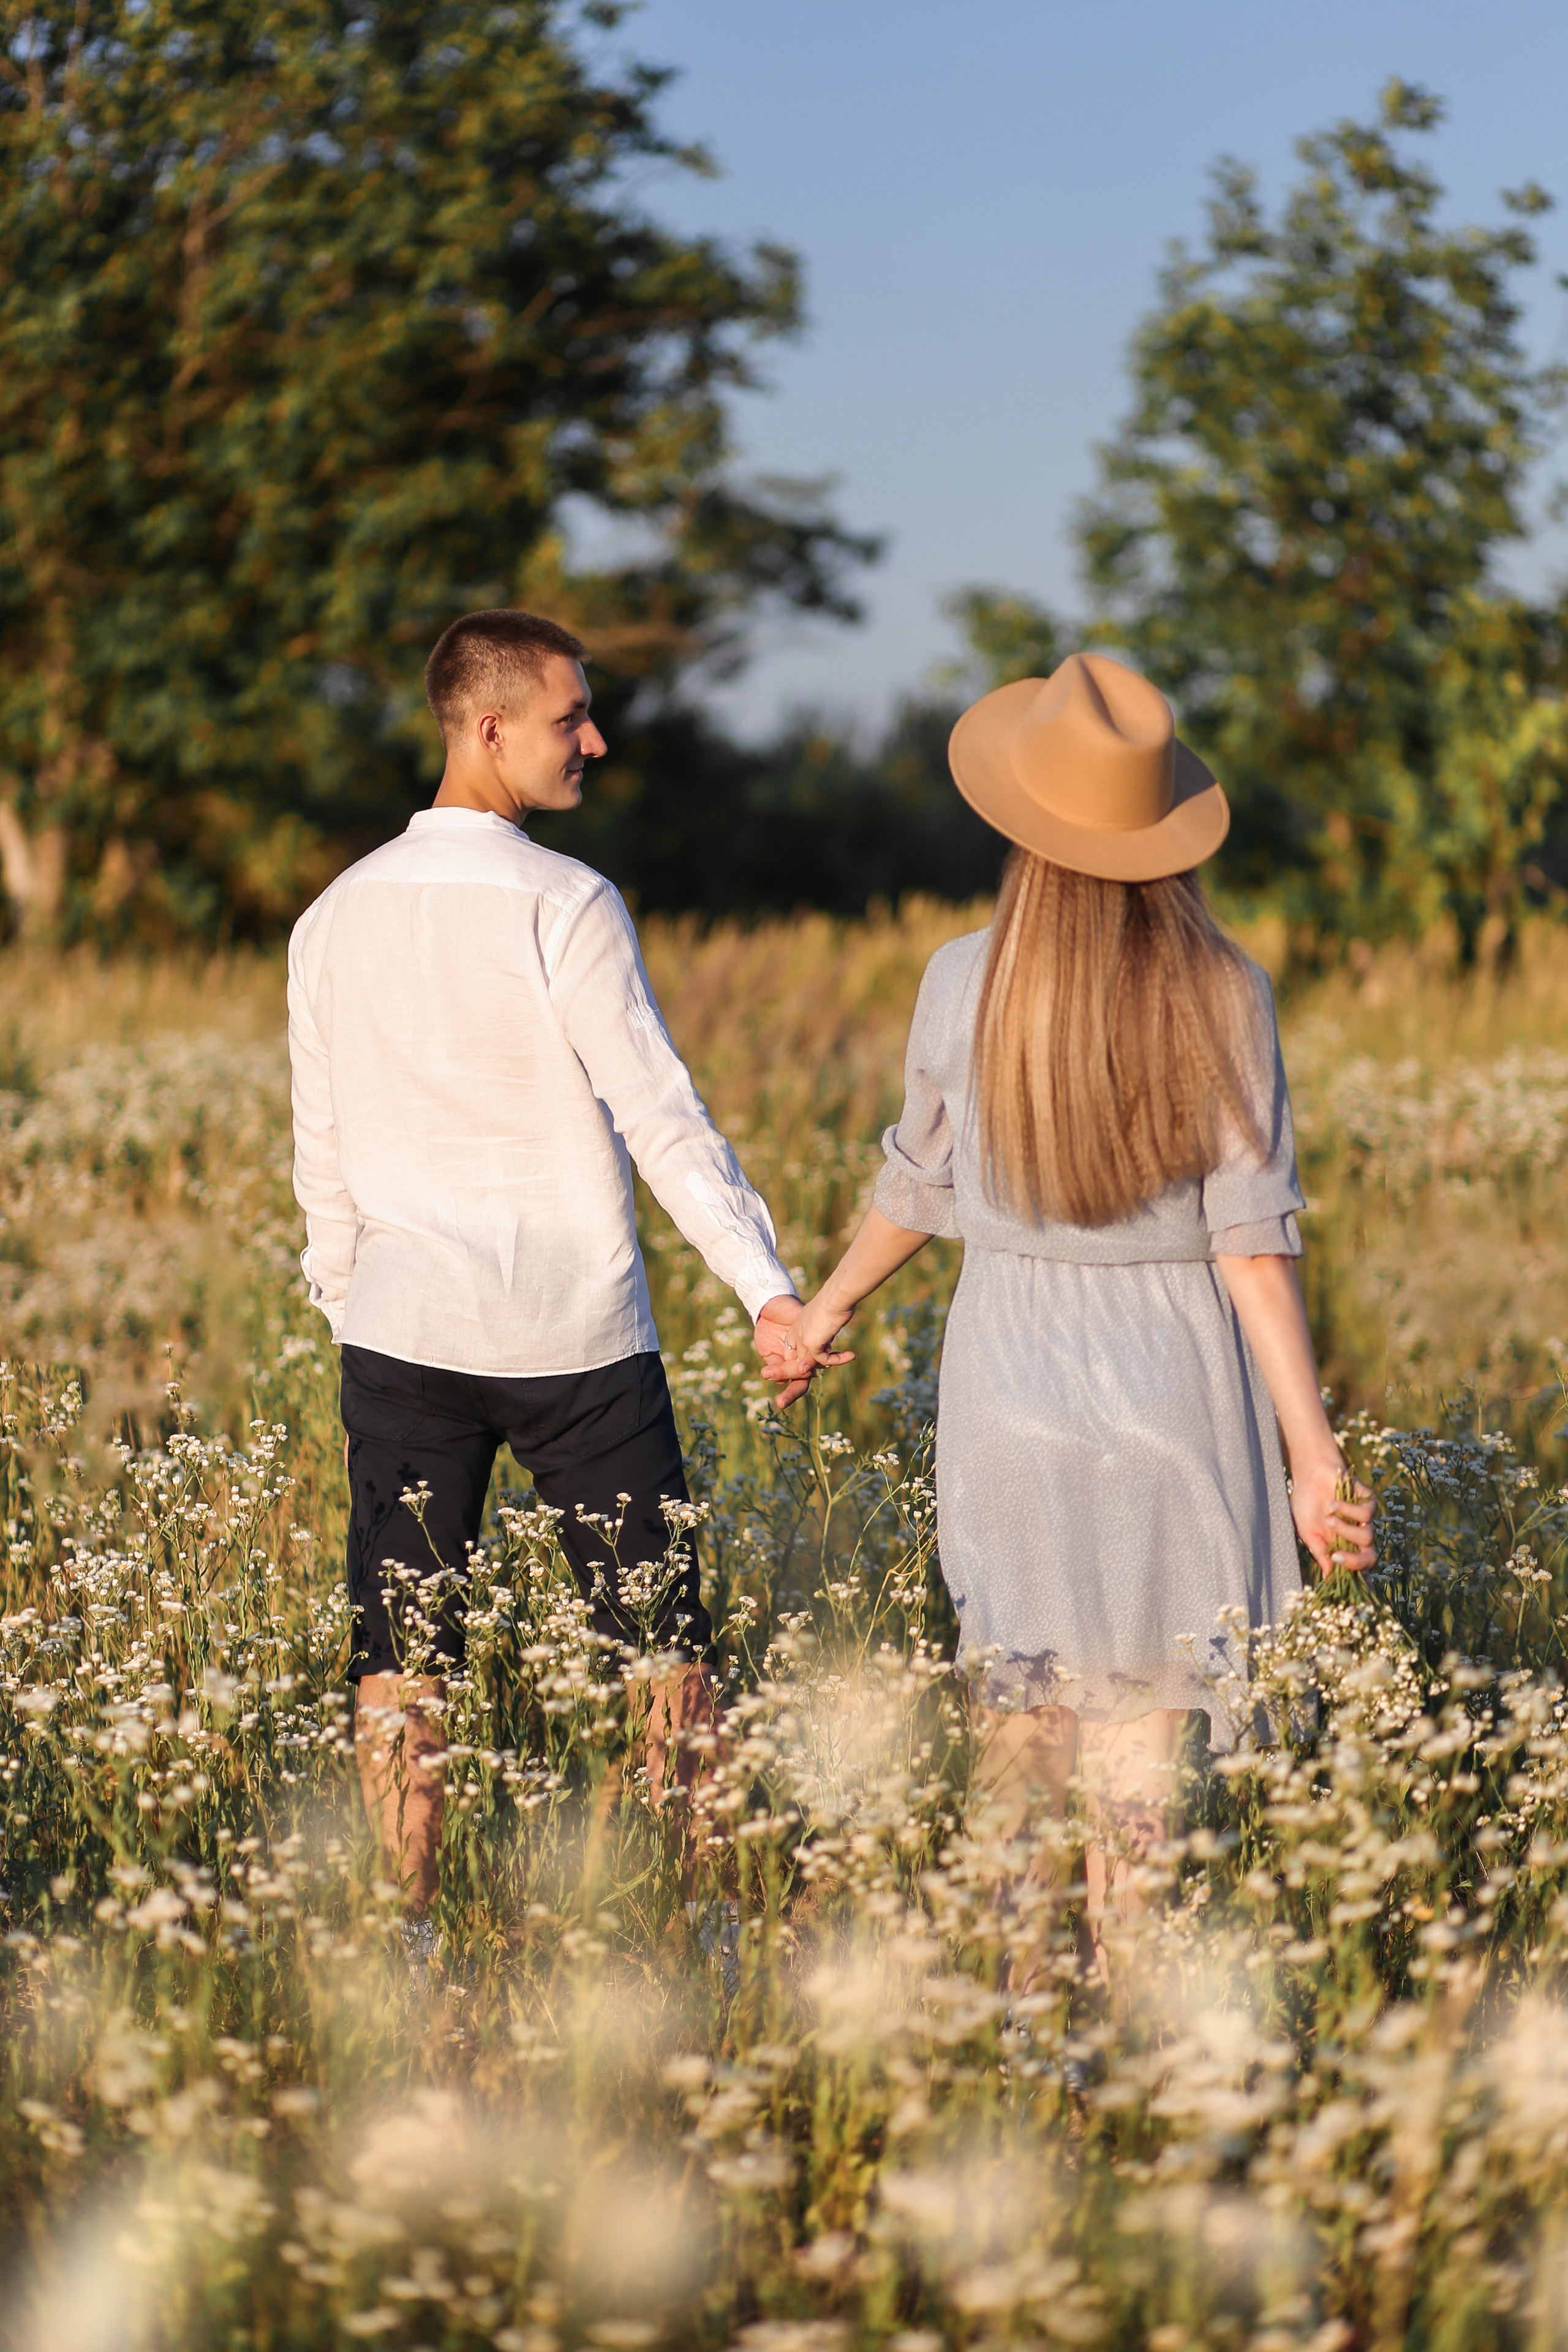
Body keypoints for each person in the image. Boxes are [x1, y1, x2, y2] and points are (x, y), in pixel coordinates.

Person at [772, 652, 1376, 1975]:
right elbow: (1251, 1245)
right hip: (1176, 1391)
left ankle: (1013, 2039)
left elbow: (916, 1183)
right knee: (1136, 1775)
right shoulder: (1225, 988)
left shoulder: (956, 978)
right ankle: (1133, 2056)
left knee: (1018, 1737)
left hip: (1009, 1385)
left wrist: (818, 1313)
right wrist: (1311, 1455)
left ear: (1019, 823)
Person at [287, 608, 804, 1932]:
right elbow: (661, 1117)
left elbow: (323, 1161)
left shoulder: (331, 916)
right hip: (579, 1345)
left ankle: (397, 1942)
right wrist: (766, 1292)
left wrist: (361, 1308)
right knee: (663, 1648)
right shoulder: (566, 901)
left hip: (403, 1340)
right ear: (488, 728)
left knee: (401, 1659)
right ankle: (705, 1935)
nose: (596, 738)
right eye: (572, 717)